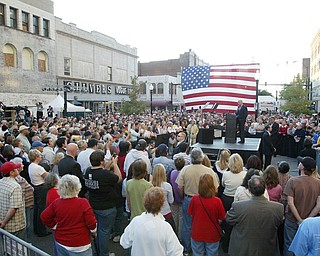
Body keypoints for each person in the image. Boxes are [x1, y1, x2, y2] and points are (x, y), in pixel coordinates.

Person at [175, 147, 219, 255]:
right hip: (206, 200)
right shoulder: (209, 171)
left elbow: (179, 187)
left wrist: (183, 198)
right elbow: (216, 189)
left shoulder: (185, 169)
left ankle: (187, 248)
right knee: (204, 224)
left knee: (187, 225)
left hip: (189, 199)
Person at [226, 176, 284, 256]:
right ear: (264, 189)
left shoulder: (238, 206)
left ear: (249, 190)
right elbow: (279, 222)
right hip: (266, 248)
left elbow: (229, 219)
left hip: (243, 248)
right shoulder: (278, 208)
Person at [41, 175, 97, 256]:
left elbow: (44, 216)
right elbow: (91, 222)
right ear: (77, 187)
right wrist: (93, 231)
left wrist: (54, 226)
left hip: (61, 242)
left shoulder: (57, 202)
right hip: (80, 244)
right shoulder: (83, 203)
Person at [120, 187, 183, 256]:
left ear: (144, 203)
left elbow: (124, 243)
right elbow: (176, 252)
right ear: (161, 205)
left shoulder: (136, 221)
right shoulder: (165, 227)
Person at [84, 150, 122, 256]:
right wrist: (114, 164)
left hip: (93, 205)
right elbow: (118, 178)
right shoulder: (105, 174)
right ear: (101, 161)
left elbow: (100, 173)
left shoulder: (88, 171)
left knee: (97, 231)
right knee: (104, 232)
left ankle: (97, 251)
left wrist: (109, 163)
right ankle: (104, 253)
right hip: (106, 207)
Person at [283, 156, 320, 256]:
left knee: (289, 245)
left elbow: (290, 203)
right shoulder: (318, 183)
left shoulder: (292, 181)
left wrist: (300, 220)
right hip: (310, 222)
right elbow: (318, 205)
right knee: (307, 246)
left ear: (302, 167)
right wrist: (306, 221)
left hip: (292, 220)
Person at [188, 174, 225, 256]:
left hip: (197, 232)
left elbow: (191, 215)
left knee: (197, 253)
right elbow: (221, 218)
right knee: (212, 253)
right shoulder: (217, 201)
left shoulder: (194, 199)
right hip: (212, 233)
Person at [0, 162, 26, 238]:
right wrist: (4, 222)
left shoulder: (1, 182)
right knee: (18, 248)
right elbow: (13, 208)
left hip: (3, 221)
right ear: (11, 172)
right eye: (15, 169)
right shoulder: (15, 187)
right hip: (15, 225)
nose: (17, 169)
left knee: (7, 247)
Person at [28, 149, 50, 237]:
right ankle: (41, 230)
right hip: (41, 188)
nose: (41, 157)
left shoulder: (31, 166)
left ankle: (37, 228)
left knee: (37, 209)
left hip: (35, 187)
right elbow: (47, 177)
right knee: (41, 209)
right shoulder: (38, 168)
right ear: (37, 157)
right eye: (39, 156)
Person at [152, 164, 176, 232]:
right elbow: (171, 201)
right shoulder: (167, 186)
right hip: (166, 213)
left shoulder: (150, 185)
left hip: (154, 214)